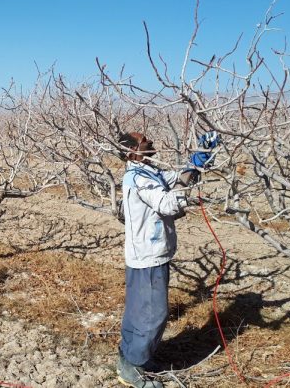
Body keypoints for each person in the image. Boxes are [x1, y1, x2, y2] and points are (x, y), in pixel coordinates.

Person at [115, 130, 220, 388]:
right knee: (153, 314)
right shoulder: (138, 177)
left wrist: (198, 160)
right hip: (147, 256)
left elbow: (177, 178)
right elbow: (167, 204)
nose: (150, 141)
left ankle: (130, 358)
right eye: (144, 141)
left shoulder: (150, 170)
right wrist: (190, 194)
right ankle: (133, 368)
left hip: (151, 253)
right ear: (132, 152)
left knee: (138, 312)